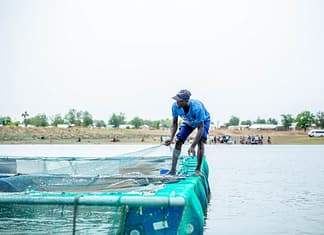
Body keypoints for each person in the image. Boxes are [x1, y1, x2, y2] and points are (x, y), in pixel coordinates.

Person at [164, 89, 210, 176]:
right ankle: (173, 170)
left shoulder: (197, 107)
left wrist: (192, 146)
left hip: (203, 121)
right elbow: (174, 124)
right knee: (178, 142)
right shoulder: (175, 106)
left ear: (186, 101)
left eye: (179, 100)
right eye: (176, 99)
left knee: (200, 142)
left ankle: (198, 169)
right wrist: (171, 138)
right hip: (188, 121)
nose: (177, 102)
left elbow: (200, 128)